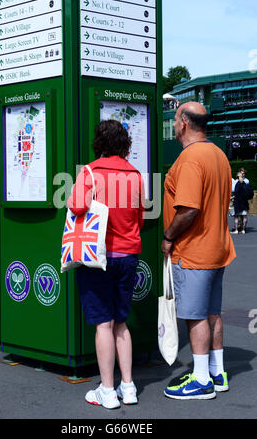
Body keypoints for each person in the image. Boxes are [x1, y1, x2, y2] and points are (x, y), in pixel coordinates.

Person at [67, 120, 144, 409]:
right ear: (125, 142)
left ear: (98, 142)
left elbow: (75, 206)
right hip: (128, 256)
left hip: (96, 256)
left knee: (103, 324)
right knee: (121, 322)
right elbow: (138, 216)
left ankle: (108, 391)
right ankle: (129, 386)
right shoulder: (136, 175)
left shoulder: (90, 172)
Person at [161, 102, 236, 400]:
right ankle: (217, 372)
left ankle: (201, 379)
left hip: (194, 250)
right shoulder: (219, 154)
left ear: (183, 123)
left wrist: (168, 236)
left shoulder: (191, 158)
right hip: (218, 247)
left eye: (176, 119)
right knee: (212, 312)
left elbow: (189, 208)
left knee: (195, 316)